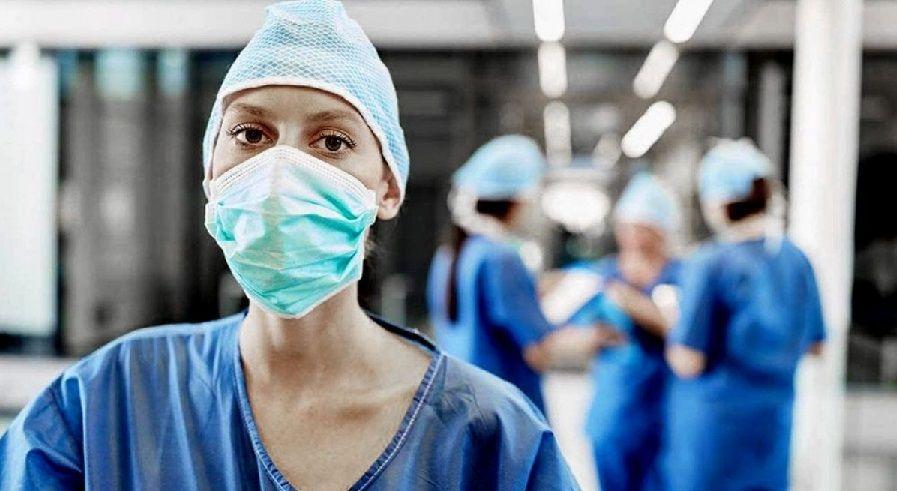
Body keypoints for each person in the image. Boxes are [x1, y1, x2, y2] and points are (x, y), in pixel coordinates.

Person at [0, 2, 580, 489]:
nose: (281, 173)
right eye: (251, 134)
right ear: (211, 173)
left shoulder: (493, 438)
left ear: (387, 187)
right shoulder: (107, 403)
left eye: (332, 141)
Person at [663, 139, 826, 491]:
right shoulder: (796, 259)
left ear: (718, 202)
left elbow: (688, 361)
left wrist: (669, 323)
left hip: (715, 433)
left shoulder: (710, 263)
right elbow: (815, 345)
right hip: (771, 429)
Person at [427, 135, 599, 414]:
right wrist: (595, 337)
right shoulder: (502, 258)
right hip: (502, 414)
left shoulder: (449, 255)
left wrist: (535, 290)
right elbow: (540, 351)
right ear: (519, 201)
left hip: (462, 406)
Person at [565, 172, 682, 491]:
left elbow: (682, 332)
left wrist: (632, 303)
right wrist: (590, 337)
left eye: (641, 227)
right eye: (626, 226)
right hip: (614, 414)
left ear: (661, 230)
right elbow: (559, 329)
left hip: (666, 413)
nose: (631, 236)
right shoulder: (602, 276)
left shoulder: (679, 275)